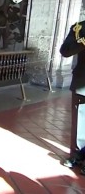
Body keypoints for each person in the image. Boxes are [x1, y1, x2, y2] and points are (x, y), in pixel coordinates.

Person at [60, 20, 85, 171]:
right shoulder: (80, 27)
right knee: (79, 122)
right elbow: (65, 51)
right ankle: (77, 155)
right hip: (83, 82)